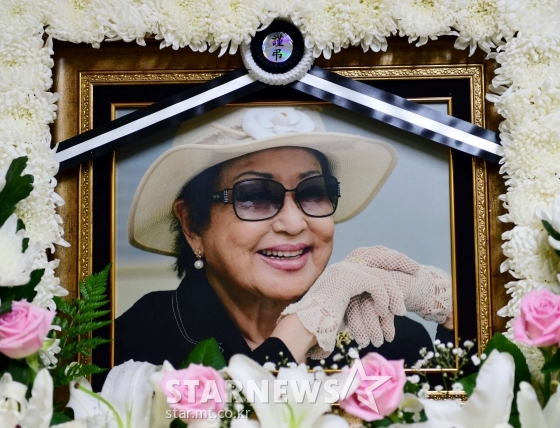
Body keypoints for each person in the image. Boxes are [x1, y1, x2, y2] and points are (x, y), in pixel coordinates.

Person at [115, 106, 453, 368]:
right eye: (255, 195)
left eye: (313, 192)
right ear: (192, 224)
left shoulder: (388, 342)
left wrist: (451, 308)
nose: (293, 223)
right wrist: (302, 327)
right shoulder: (134, 343)